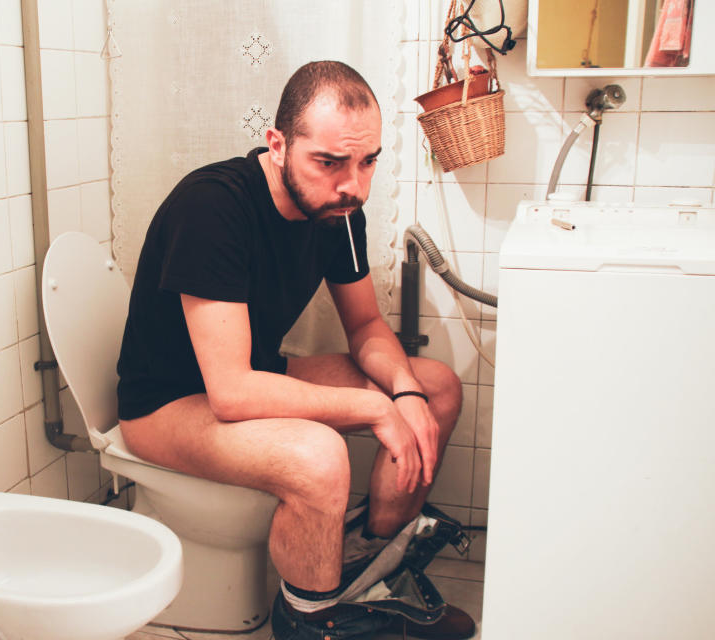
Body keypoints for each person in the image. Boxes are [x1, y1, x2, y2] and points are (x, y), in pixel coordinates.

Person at [116, 61, 475, 640]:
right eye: (329, 162)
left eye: (368, 161)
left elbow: (365, 327)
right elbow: (231, 393)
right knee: (319, 456)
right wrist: (379, 408)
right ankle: (313, 624)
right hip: (169, 404)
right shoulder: (212, 207)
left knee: (435, 387)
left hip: (253, 374)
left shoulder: (339, 207)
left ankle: (367, 571)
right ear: (278, 144)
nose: (353, 185)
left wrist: (405, 393)